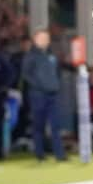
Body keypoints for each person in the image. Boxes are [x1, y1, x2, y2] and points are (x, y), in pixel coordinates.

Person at [21, 28, 67, 161]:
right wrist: (39, 85)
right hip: (38, 95)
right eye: (42, 38)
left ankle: (60, 154)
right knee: (38, 125)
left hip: (52, 94)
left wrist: (55, 85)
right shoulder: (30, 56)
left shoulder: (51, 55)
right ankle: (40, 154)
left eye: (46, 38)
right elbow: (26, 74)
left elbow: (57, 72)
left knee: (56, 125)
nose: (45, 41)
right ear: (35, 40)